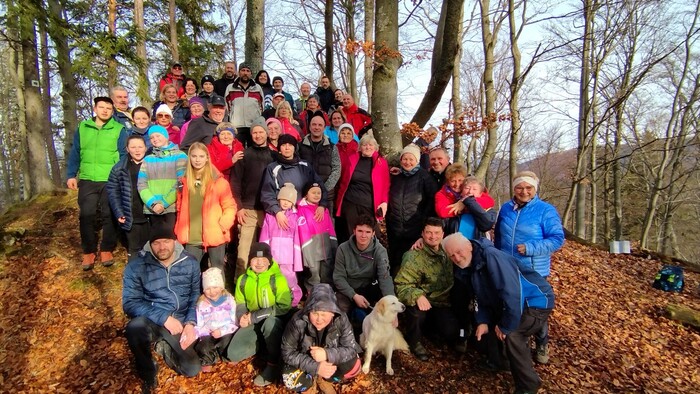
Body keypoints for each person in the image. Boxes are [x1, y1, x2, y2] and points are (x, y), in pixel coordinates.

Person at [443, 233, 555, 394]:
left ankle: (528, 385)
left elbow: (512, 293)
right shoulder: (466, 267)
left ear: (469, 246)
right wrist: (482, 320)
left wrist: (505, 326)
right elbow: (477, 295)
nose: (457, 257)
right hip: (509, 303)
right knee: (489, 327)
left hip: (535, 300)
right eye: (451, 255)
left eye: (459, 252)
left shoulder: (491, 256)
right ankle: (500, 362)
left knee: (513, 334)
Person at [494, 171, 564, 364]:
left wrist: (531, 248)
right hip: (509, 266)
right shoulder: (507, 208)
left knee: (536, 308)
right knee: (511, 304)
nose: (524, 191)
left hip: (534, 269)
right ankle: (515, 342)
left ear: (535, 189)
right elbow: (499, 235)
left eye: (528, 188)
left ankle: (542, 343)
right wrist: (498, 257)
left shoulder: (545, 210)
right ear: (514, 189)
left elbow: (557, 239)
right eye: (519, 187)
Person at [122, 227, 201, 393]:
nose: (162, 247)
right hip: (153, 318)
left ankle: (163, 346)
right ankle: (148, 371)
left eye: (166, 241)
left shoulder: (190, 262)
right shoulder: (137, 266)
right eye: (156, 243)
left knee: (192, 368)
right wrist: (164, 318)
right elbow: (130, 303)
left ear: (174, 242)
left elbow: (195, 294)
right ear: (150, 245)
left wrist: (190, 322)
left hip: (180, 320)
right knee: (134, 328)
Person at [66, 96, 127, 270]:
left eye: (109, 108)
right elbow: (75, 152)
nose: (105, 110)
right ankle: (88, 251)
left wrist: (121, 176)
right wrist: (71, 174)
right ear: (95, 109)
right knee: (86, 214)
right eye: (102, 107)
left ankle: (107, 248)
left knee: (110, 214)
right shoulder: (83, 127)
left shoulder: (119, 129)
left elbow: (123, 155)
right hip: (87, 178)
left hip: (110, 178)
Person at [228, 242, 292, 386]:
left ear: (269, 261)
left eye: (263, 260)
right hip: (253, 320)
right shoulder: (243, 280)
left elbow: (284, 306)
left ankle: (273, 363)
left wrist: (254, 316)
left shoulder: (278, 279)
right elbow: (240, 302)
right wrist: (242, 317)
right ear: (250, 260)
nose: (259, 263)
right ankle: (264, 347)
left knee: (269, 323)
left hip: (275, 322)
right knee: (233, 353)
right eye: (255, 259)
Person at [394, 217, 458, 362]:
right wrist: (417, 295)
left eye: (437, 233)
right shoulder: (413, 256)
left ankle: (431, 330)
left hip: (442, 302)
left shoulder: (449, 250)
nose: (433, 236)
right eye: (429, 232)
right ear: (422, 233)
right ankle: (414, 340)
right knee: (417, 314)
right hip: (422, 301)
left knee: (451, 332)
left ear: (443, 234)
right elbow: (402, 285)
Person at [281, 283, 361, 393]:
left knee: (354, 365)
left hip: (329, 359)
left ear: (333, 313)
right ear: (308, 311)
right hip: (305, 360)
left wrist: (327, 354)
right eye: (314, 313)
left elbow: (351, 348)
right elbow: (287, 352)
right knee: (289, 377)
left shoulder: (341, 319)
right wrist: (316, 367)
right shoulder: (297, 321)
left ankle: (325, 380)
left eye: (324, 314)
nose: (319, 319)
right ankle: (308, 387)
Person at [174, 142, 237, 273]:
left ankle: (219, 293)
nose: (197, 160)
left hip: (214, 233)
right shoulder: (183, 182)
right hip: (191, 235)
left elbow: (230, 206)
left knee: (216, 271)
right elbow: (179, 206)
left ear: (207, 158)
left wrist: (223, 225)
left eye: (201, 156)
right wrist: (179, 226)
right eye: (194, 156)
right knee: (191, 272)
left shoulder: (218, 181)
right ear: (189, 157)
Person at [230, 120, 275, 281]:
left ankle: (267, 284)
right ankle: (240, 286)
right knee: (244, 250)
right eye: (255, 132)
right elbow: (235, 182)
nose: (258, 135)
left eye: (261, 132)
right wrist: (239, 207)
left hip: (268, 211)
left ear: (267, 133)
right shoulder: (244, 155)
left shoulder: (274, 156)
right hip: (248, 210)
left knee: (268, 251)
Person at [386, 144, 438, 274]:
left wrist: (423, 222)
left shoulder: (425, 177)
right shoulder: (396, 176)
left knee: (411, 265)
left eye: (411, 159)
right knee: (394, 263)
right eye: (405, 159)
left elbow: (432, 202)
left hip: (415, 229)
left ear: (417, 160)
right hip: (395, 229)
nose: (407, 162)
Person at [260, 134, 329, 226]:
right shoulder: (273, 168)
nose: (287, 148)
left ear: (294, 148)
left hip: (305, 214)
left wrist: (322, 205)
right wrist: (277, 212)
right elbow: (267, 193)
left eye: (290, 145)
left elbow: (320, 186)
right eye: (284, 145)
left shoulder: (305, 165)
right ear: (279, 149)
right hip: (283, 216)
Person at [333, 215, 393, 318]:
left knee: (381, 310)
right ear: (354, 231)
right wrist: (354, 296)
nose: (363, 235)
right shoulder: (342, 249)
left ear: (373, 233)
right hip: (348, 288)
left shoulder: (380, 251)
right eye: (360, 231)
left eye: (368, 232)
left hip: (370, 288)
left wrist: (392, 308)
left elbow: (385, 279)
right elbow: (338, 277)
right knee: (340, 307)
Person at [334, 134, 389, 243]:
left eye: (370, 145)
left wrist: (384, 202)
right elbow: (343, 181)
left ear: (375, 147)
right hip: (350, 202)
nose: (368, 147)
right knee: (351, 234)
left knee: (373, 235)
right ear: (360, 147)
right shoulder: (352, 159)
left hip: (369, 204)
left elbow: (386, 185)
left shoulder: (381, 162)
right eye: (364, 145)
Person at [106, 135, 149, 262]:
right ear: (127, 149)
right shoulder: (119, 168)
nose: (137, 150)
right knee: (134, 249)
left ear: (146, 148)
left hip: (150, 215)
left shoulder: (153, 164)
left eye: (140, 147)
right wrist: (119, 212)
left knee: (150, 248)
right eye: (133, 147)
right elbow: (113, 191)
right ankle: (134, 277)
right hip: (131, 216)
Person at [137, 125, 187, 233]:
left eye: (158, 135)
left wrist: (164, 203)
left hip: (172, 208)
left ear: (166, 136)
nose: (155, 139)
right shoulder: (148, 159)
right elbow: (141, 184)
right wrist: (153, 203)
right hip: (152, 209)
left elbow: (182, 183)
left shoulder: (180, 156)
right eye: (152, 137)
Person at [259, 183, 303, 306]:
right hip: (272, 256)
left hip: (288, 257)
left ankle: (293, 302)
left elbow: (297, 241)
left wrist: (297, 260)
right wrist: (264, 256)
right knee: (271, 278)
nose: (285, 203)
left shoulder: (295, 217)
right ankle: (272, 301)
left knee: (290, 279)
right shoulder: (270, 216)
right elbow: (264, 238)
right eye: (283, 199)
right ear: (278, 199)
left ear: (293, 203)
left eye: (289, 201)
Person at [194, 267, 238, 373]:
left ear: (221, 287)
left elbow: (234, 322)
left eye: (215, 288)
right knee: (203, 346)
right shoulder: (201, 304)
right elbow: (199, 324)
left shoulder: (229, 301)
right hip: (209, 333)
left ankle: (226, 356)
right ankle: (208, 360)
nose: (212, 292)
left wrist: (222, 331)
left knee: (228, 341)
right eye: (208, 289)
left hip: (225, 331)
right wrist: (204, 332)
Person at [297, 182, 337, 294]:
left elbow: (331, 230)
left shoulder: (324, 210)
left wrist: (334, 246)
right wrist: (307, 254)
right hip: (312, 251)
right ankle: (312, 299)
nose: (316, 195)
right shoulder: (302, 211)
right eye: (313, 192)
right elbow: (303, 233)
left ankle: (327, 298)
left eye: (319, 193)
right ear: (306, 194)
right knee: (313, 276)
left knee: (327, 275)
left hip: (326, 250)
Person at [298, 114, 341, 201]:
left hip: (326, 195)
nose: (316, 127)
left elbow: (337, 169)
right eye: (314, 124)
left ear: (324, 128)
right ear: (309, 127)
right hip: (304, 194)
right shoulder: (300, 146)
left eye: (320, 125)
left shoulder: (332, 147)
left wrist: (324, 189)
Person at [224, 62, 263, 147]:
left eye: (248, 71)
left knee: (253, 151)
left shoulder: (258, 88)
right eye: (243, 70)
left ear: (251, 74)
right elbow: (227, 107)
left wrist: (258, 122)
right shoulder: (230, 88)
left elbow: (261, 107)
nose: (245, 73)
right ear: (238, 72)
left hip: (253, 126)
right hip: (236, 126)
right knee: (237, 150)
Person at [435, 163, 469, 234]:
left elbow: (488, 201)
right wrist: (461, 208)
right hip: (451, 231)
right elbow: (442, 212)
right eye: (453, 181)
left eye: (460, 180)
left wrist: (465, 202)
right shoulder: (441, 194)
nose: (457, 184)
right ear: (447, 182)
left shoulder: (471, 189)